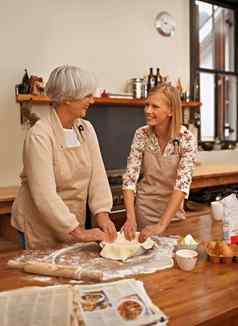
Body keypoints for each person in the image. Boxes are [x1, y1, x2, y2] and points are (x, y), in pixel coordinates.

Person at [11, 65, 117, 249]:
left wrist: (103, 216)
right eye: (87, 95)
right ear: (67, 98)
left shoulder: (86, 129)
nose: (92, 100)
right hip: (40, 225)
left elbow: (97, 178)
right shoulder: (40, 135)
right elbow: (44, 195)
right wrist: (79, 232)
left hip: (72, 223)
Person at [122, 83, 197, 242]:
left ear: (170, 111)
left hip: (172, 215)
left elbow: (182, 185)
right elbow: (130, 179)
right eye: (147, 105)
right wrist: (131, 218)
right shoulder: (141, 134)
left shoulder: (186, 138)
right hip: (144, 211)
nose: (148, 110)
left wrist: (162, 224)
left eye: (155, 106)